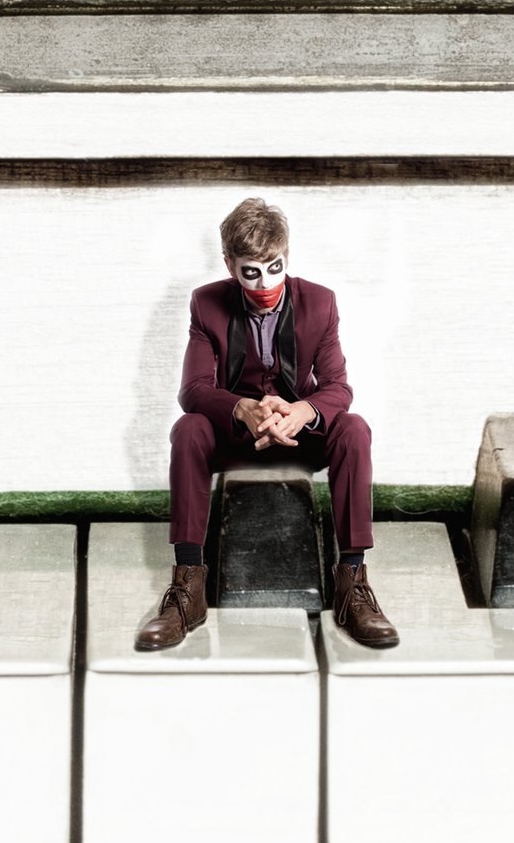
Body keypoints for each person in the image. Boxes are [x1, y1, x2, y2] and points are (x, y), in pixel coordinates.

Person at [137, 197, 398, 650]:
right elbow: (193, 390)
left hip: (301, 436)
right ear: (229, 265)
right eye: (251, 272)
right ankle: (188, 587)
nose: (265, 283)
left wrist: (302, 412)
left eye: (275, 268)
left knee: (354, 428)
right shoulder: (206, 304)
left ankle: (353, 583)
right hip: (238, 437)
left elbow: (338, 387)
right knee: (189, 429)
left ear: (287, 256)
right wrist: (243, 408)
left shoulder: (320, 302)